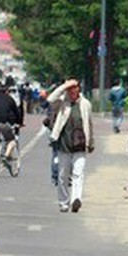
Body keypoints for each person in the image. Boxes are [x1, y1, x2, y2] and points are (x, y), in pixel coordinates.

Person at [48, 79, 95, 213]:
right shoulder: (62, 102)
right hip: (64, 144)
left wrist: (91, 142)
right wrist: (64, 86)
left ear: (79, 89)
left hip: (80, 144)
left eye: (74, 88)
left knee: (78, 174)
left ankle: (76, 199)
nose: (72, 91)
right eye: (70, 89)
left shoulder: (85, 104)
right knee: (63, 176)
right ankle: (64, 202)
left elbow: (89, 123)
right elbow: (50, 99)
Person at [0, 78, 24, 160]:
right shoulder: (9, 98)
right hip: (3, 124)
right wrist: (19, 122)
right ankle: (6, 155)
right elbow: (16, 112)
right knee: (11, 140)